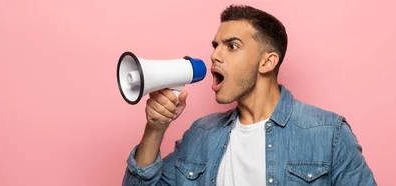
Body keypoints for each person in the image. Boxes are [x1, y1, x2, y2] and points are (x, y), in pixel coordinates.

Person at [122, 4, 377, 186]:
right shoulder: (201, 134)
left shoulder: (328, 134)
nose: (215, 55)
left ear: (267, 62)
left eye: (232, 46)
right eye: (216, 46)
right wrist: (155, 129)